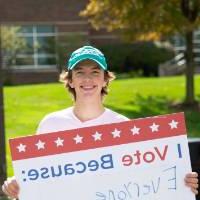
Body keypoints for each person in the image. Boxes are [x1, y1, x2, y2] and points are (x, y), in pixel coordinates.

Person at [2, 46, 199, 199]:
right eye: (79, 72)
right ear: (70, 80)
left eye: (95, 72)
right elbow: (37, 184)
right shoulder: (50, 125)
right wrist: (17, 187)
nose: (87, 78)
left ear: (105, 79)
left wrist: (181, 184)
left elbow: (143, 184)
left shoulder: (123, 127)